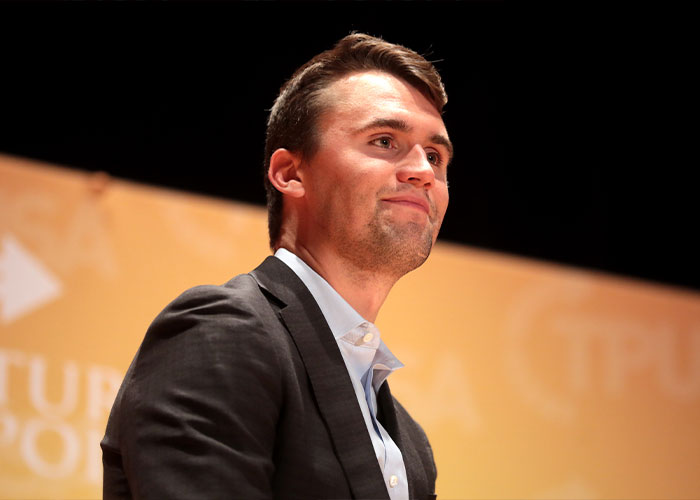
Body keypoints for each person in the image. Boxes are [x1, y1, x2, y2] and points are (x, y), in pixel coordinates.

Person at [101, 32, 452, 500]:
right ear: (290, 173)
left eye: (436, 155)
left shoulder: (408, 440)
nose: (423, 171)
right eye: (385, 140)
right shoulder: (224, 330)